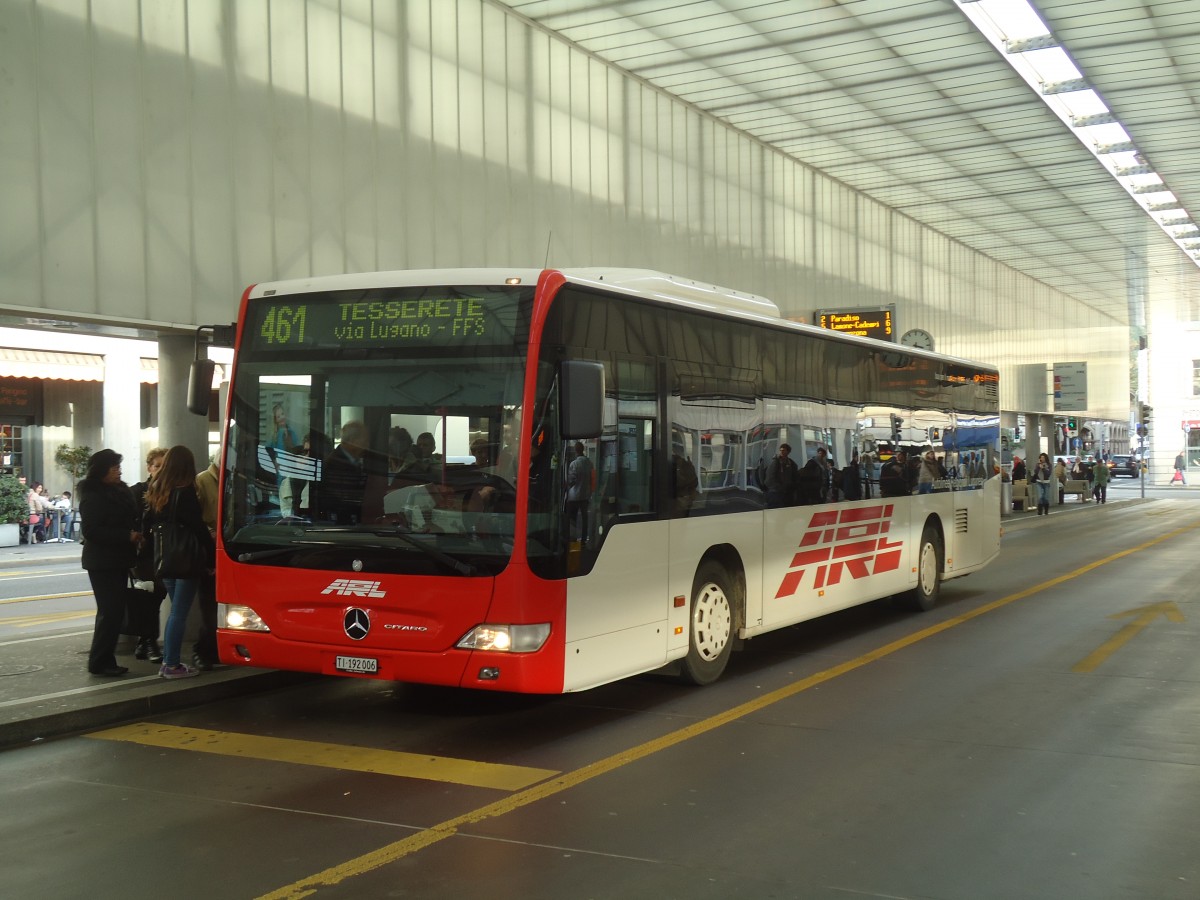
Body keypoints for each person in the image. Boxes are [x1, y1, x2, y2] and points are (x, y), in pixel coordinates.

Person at [143, 445, 214, 679]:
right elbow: (199, 528)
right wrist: (212, 556)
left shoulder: (155, 490)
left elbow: (147, 525)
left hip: (165, 560)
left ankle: (170, 662)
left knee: (176, 611)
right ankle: (171, 664)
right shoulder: (184, 493)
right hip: (185, 561)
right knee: (178, 614)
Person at [78, 449, 141, 677]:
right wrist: (126, 536)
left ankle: (105, 660)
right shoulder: (92, 494)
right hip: (102, 562)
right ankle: (99, 662)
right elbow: (91, 530)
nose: (119, 471)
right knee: (109, 612)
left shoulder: (120, 490)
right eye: (114, 467)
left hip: (119, 559)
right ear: (101, 470)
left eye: (119, 467)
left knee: (114, 612)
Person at [129, 447, 167, 662]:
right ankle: (149, 642)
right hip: (145, 552)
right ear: (149, 468)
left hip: (166, 552)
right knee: (148, 597)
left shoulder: (174, 492)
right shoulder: (138, 491)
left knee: (159, 594)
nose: (161, 470)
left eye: (165, 466)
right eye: (157, 465)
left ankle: (146, 642)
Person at [193, 459, 220, 670]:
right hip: (210, 549)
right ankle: (204, 650)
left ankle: (216, 648)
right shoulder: (203, 480)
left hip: (229, 545)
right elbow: (196, 519)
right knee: (209, 603)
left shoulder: (236, 479)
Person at [320, 420, 369, 524]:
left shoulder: (354, 461)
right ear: (352, 441)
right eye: (364, 440)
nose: (367, 445)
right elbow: (342, 499)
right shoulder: (334, 464)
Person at [270, 403, 301, 512]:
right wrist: (274, 462)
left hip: (292, 469)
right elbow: (269, 451)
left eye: (282, 414)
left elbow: (298, 450)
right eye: (278, 416)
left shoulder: (292, 433)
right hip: (281, 471)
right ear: (275, 420)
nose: (282, 417)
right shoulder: (275, 436)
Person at [564, 442, 594, 543]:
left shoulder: (574, 464)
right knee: (585, 519)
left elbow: (571, 481)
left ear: (576, 450)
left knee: (572, 519)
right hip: (585, 496)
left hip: (573, 497)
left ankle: (573, 539)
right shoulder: (589, 463)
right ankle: (584, 539)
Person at [764, 443, 798, 508]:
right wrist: (778, 487)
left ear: (788, 452)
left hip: (786, 492)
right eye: (780, 450)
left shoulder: (791, 463)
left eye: (784, 450)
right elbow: (770, 477)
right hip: (775, 492)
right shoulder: (775, 462)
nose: (781, 452)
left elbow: (794, 475)